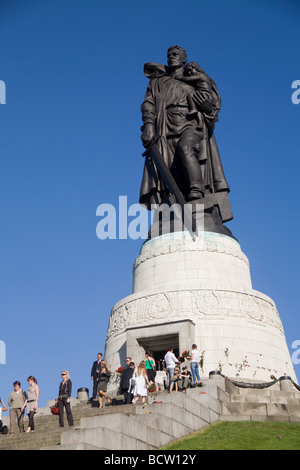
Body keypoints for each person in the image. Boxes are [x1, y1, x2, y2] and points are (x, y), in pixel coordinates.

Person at [139, 45, 233, 237]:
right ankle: (174, 206)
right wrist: (149, 124)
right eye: (169, 55)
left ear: (184, 57)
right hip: (165, 129)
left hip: (191, 124)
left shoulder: (196, 77)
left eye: (176, 55)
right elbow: (148, 104)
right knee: (170, 170)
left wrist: (207, 107)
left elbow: (213, 106)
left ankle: (196, 194)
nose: (172, 57)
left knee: (186, 149)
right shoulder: (158, 81)